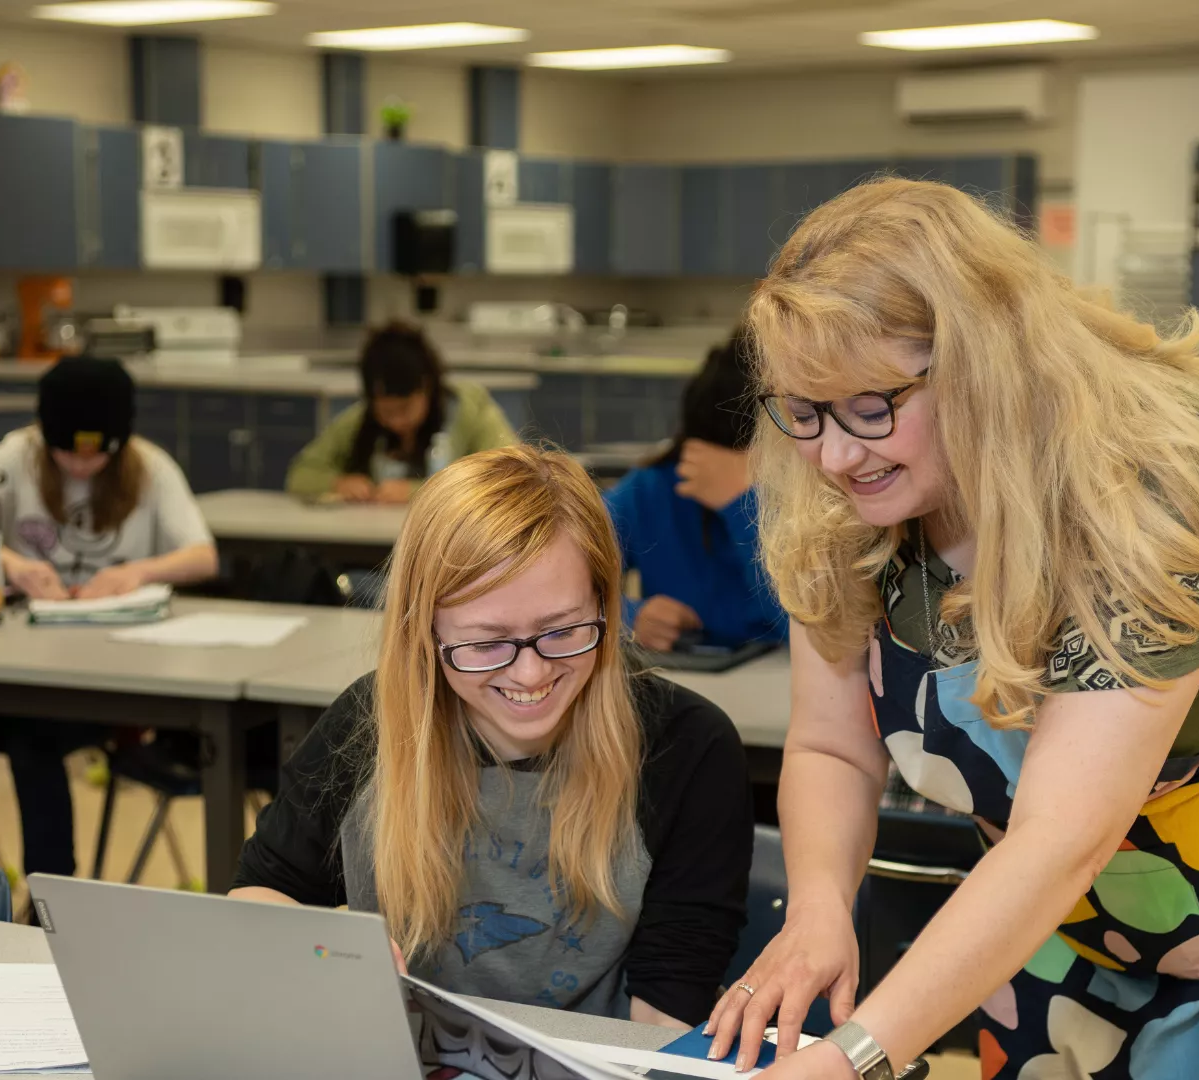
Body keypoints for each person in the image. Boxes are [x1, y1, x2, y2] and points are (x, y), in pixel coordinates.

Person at [707, 178, 1199, 1079]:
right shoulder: (837, 489)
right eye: (803, 414)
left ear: (982, 365)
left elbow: (1060, 837)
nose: (837, 454)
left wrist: (856, 1057)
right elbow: (834, 748)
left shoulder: (1150, 488)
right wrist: (816, 911)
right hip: (1067, 881)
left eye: (873, 407)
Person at [232, 444, 754, 1027]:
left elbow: (663, 1021)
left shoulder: (686, 749)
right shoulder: (368, 727)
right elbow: (257, 898)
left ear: (606, 606)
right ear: (423, 632)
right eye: (485, 643)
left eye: (563, 631)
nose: (530, 674)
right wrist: (323, 946)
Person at [0, 357, 219, 879]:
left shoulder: (150, 468)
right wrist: (16, 566)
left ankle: (49, 902)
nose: (82, 468)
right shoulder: (15, 456)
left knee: (32, 742)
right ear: (44, 433)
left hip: (111, 674)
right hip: (17, 667)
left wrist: (137, 572)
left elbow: (203, 555)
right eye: (67, 453)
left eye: (97, 456)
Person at [605, 329, 786, 651]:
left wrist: (743, 502)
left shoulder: (822, 498)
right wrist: (625, 616)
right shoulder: (652, 489)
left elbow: (813, 631)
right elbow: (542, 578)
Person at [286, 322, 518, 504]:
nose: (397, 421)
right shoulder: (358, 421)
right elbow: (301, 474)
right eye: (386, 412)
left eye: (405, 409)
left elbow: (510, 475)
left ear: (427, 387)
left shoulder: (469, 409)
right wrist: (338, 483)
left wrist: (417, 491)